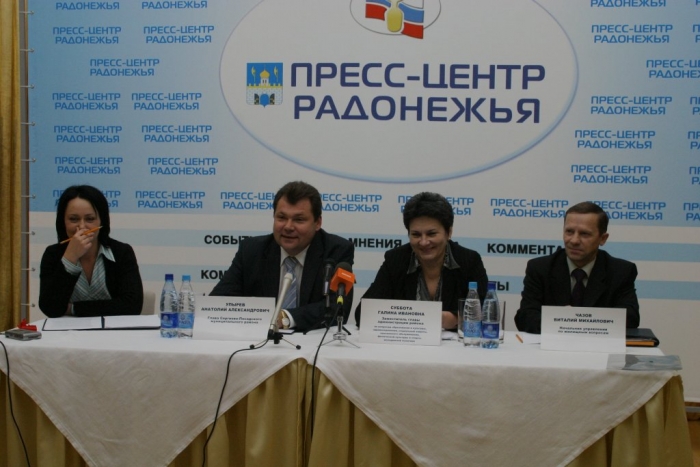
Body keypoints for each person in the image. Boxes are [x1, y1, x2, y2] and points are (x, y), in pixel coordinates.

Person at [210, 181, 355, 332]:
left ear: (317, 222)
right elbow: (217, 302)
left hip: (312, 341)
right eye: (281, 218)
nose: (288, 227)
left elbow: (338, 308)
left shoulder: (336, 250)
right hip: (259, 340)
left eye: (299, 220)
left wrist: (285, 318)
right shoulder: (252, 250)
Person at [355, 192, 488, 329]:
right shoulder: (396, 260)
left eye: (431, 234)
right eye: (416, 235)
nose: (424, 242)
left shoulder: (469, 260)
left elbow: (486, 314)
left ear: (448, 232)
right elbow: (362, 314)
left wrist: (453, 319)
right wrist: (411, 319)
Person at [514, 201, 640, 334]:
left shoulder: (621, 271)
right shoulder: (540, 268)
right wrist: (562, 319)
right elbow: (525, 317)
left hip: (598, 345)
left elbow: (630, 318)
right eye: (569, 231)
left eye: (584, 234)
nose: (574, 240)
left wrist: (576, 319)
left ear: (603, 238)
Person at [39, 185, 143, 318]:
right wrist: (70, 257)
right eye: (73, 219)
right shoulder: (52, 254)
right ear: (63, 221)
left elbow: (132, 305)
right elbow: (50, 308)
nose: (82, 227)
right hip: (68, 330)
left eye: (90, 219)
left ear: (101, 221)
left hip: (113, 329)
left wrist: (73, 308)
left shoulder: (122, 252)